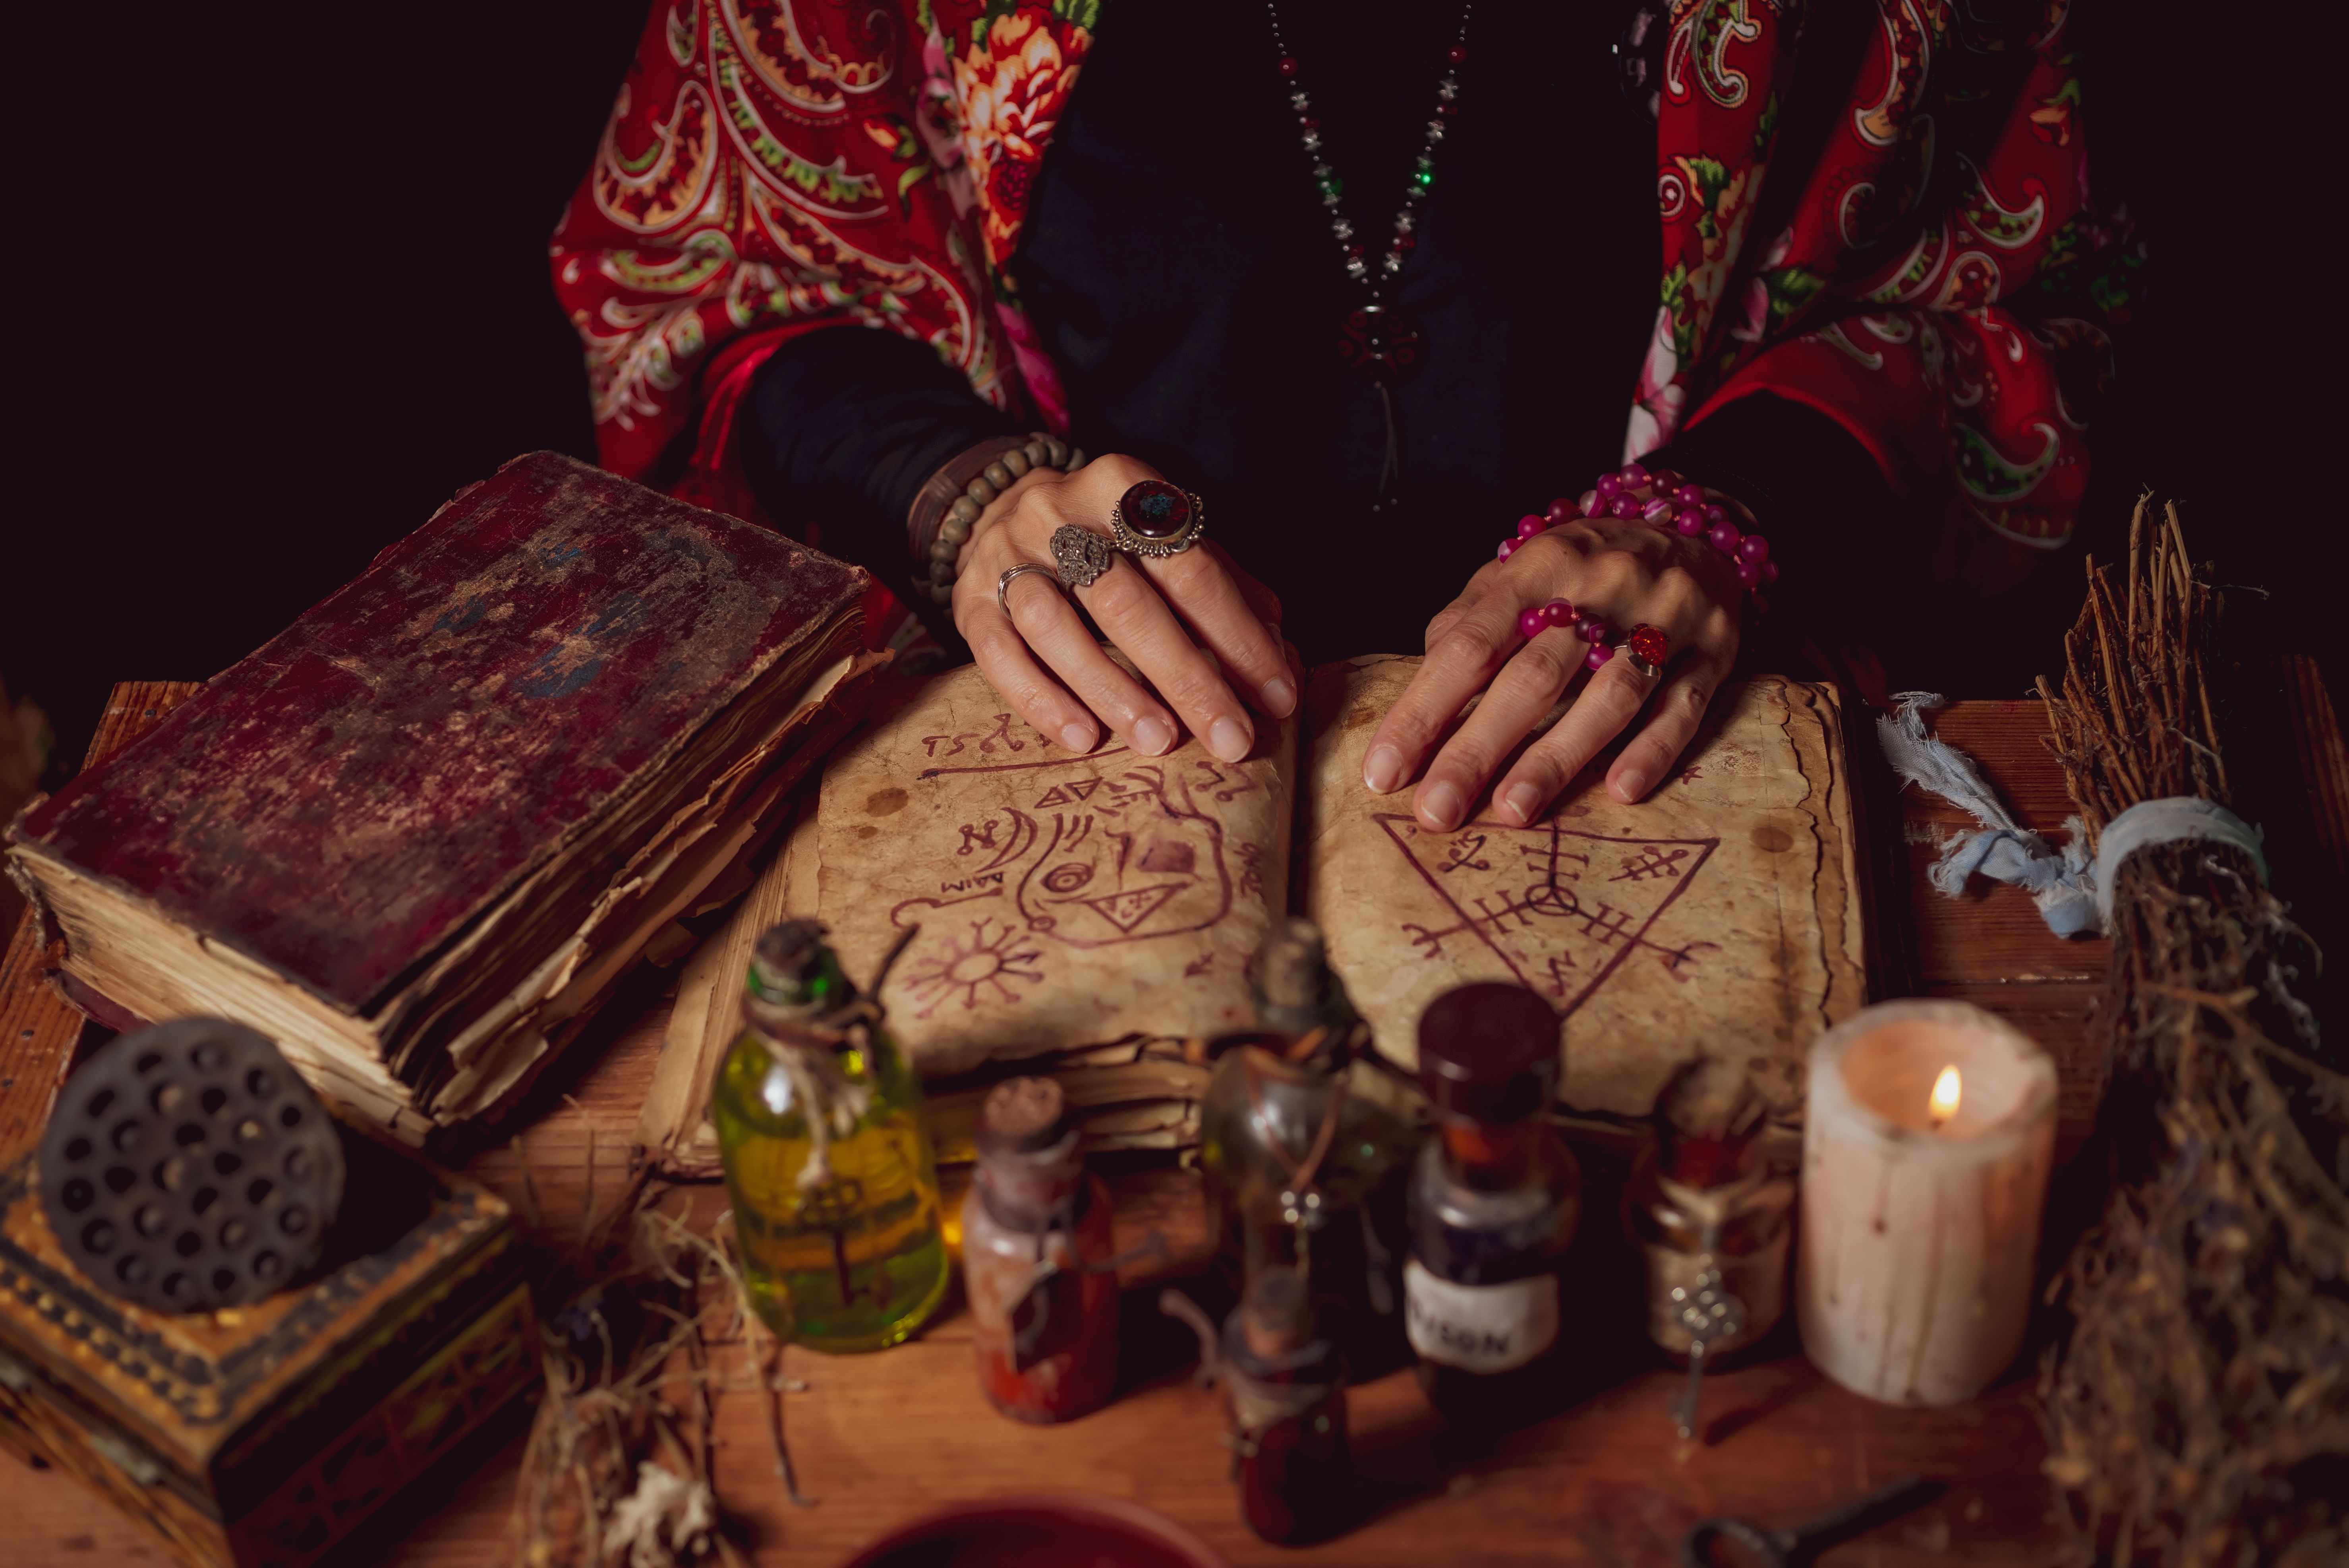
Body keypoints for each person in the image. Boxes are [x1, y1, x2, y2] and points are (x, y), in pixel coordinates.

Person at [552, 0, 2125, 834]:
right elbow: (730, 294)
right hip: (1091, 738)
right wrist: (973, 493)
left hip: (1653, 762)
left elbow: (2016, 305)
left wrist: (1723, 512)